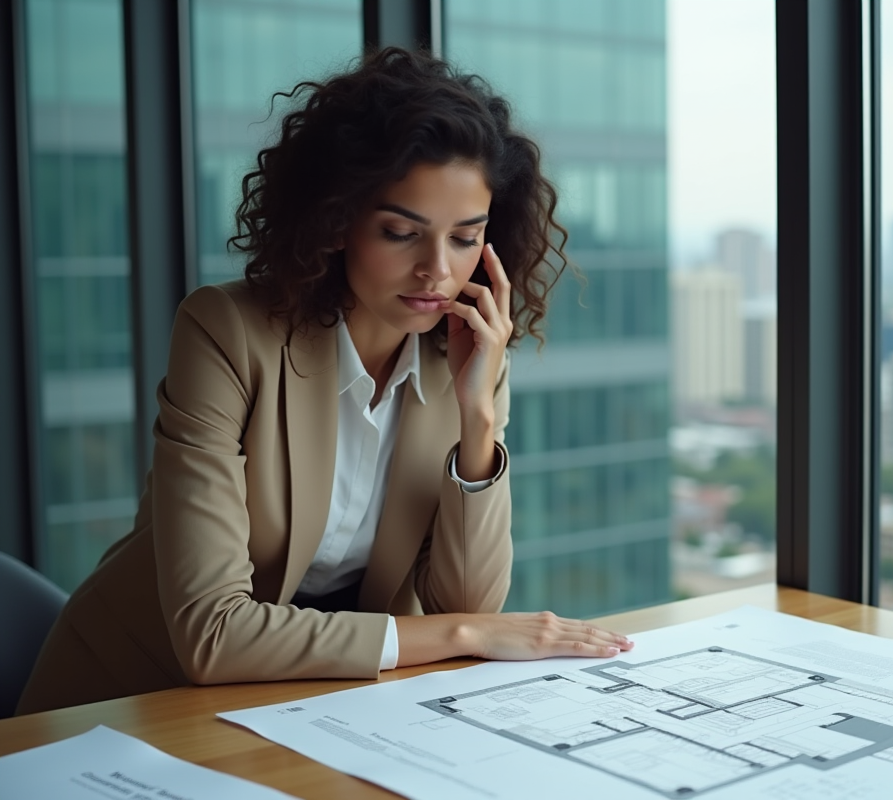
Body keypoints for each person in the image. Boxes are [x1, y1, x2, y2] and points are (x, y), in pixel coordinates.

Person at [17, 47, 632, 716]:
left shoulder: (468, 358)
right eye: (401, 232)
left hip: (307, 704)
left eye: (465, 238)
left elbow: (468, 604)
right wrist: (460, 633)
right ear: (337, 220)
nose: (436, 269)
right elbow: (213, 634)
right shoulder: (227, 333)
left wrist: (477, 420)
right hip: (125, 703)